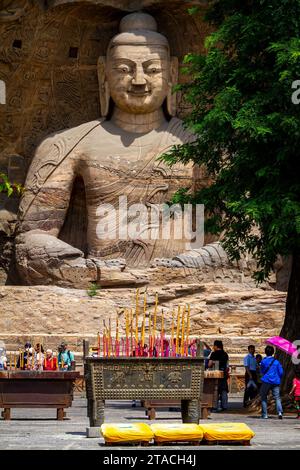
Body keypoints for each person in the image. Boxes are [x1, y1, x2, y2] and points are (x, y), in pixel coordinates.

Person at [260, 345, 283, 419]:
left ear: (265, 352)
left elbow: (262, 371)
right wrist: (278, 377)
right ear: (273, 352)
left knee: (263, 397)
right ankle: (279, 412)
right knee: (277, 397)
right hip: (275, 381)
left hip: (266, 381)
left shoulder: (263, 361)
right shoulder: (276, 362)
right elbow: (281, 372)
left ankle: (265, 414)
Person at [208, 340, 229, 411]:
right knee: (224, 390)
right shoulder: (225, 354)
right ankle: (224, 406)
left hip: (215, 374)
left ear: (216, 346)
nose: (213, 347)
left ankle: (215, 405)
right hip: (223, 373)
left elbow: (209, 364)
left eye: (214, 346)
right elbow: (227, 365)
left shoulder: (214, 354)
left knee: (215, 390)